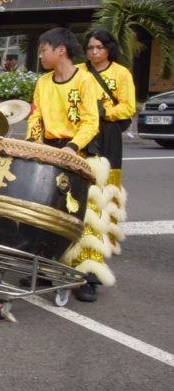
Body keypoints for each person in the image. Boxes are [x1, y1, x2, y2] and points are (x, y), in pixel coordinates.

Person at [26, 27, 111, 302]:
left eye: (43, 50)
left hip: (81, 152)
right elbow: (35, 116)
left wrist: (73, 147)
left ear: (60, 50)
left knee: (87, 217)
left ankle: (88, 277)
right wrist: (32, 143)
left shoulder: (85, 81)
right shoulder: (43, 83)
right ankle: (45, 268)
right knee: (48, 212)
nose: (40, 55)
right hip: (52, 151)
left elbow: (90, 121)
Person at [84, 27, 136, 190]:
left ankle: (109, 211)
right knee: (83, 173)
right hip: (82, 129)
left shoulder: (121, 73)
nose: (94, 52)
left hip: (109, 130)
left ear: (109, 48)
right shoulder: (78, 71)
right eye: (90, 47)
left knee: (109, 177)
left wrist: (105, 112)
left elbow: (128, 107)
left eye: (100, 47)